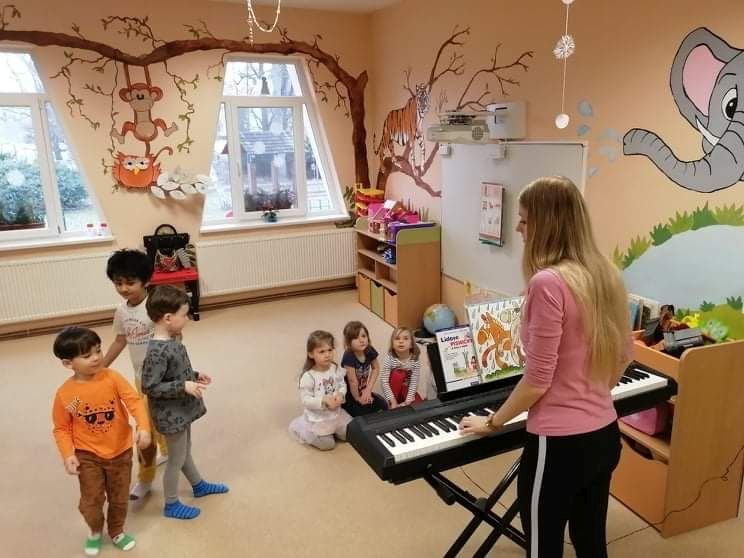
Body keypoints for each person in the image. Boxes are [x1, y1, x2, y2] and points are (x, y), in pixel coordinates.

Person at [459, 176, 631, 558]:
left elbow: (537, 381)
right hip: (604, 434)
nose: (519, 228)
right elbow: (624, 355)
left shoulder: (547, 283)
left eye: (524, 219)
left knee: (543, 548)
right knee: (591, 543)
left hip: (558, 448)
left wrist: (492, 423)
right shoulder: (606, 274)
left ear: (546, 224)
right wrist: (588, 394)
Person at [52, 326, 151, 556]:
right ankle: (95, 531)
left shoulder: (112, 378)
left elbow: (134, 402)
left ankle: (116, 531)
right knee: (92, 500)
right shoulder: (70, 395)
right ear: (68, 363)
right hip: (88, 455)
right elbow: (62, 427)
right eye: (87, 355)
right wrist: (68, 454)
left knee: (119, 498)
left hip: (120, 451)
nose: (96, 357)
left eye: (98, 350)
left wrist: (144, 427)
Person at [141, 285, 228, 520]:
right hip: (170, 415)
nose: (187, 319)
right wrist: (183, 386)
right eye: (184, 315)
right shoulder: (157, 352)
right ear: (168, 318)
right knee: (176, 458)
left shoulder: (172, 341)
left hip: (180, 409)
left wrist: (194, 376)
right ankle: (171, 504)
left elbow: (174, 371)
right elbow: (149, 386)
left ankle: (198, 485)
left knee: (185, 450)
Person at [101, 248, 168, 501]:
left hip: (164, 378)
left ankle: (161, 459)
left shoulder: (156, 305)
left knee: (156, 425)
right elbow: (120, 340)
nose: (124, 288)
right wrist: (102, 366)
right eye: (118, 283)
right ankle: (148, 474)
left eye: (130, 282)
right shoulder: (122, 311)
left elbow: (175, 336)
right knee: (146, 428)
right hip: (141, 380)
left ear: (146, 281)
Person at [289, 330, 352, 450]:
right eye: (322, 351)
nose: (327, 355)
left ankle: (333, 431)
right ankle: (303, 429)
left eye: (330, 350)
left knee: (350, 434)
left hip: (336, 414)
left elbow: (342, 384)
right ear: (311, 354)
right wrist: (323, 400)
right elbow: (305, 400)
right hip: (318, 418)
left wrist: (341, 394)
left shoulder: (335, 368)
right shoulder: (309, 376)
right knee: (328, 445)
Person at [340, 321, 388, 416]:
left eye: (363, 336)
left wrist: (368, 390)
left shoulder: (369, 350)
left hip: (362, 388)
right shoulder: (348, 356)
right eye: (356, 338)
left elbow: (375, 368)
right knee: (363, 414)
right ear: (348, 342)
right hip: (350, 394)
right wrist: (358, 399)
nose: (361, 340)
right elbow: (352, 381)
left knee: (383, 405)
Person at [380, 326, 423, 408]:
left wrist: (408, 401)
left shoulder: (415, 359)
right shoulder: (389, 359)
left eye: (405, 338)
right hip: (393, 388)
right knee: (399, 374)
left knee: (419, 406)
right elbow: (384, 381)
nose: (401, 341)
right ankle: (394, 402)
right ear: (392, 344)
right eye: (397, 338)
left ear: (411, 344)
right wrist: (392, 401)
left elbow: (414, 382)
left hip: (406, 388)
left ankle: (403, 401)